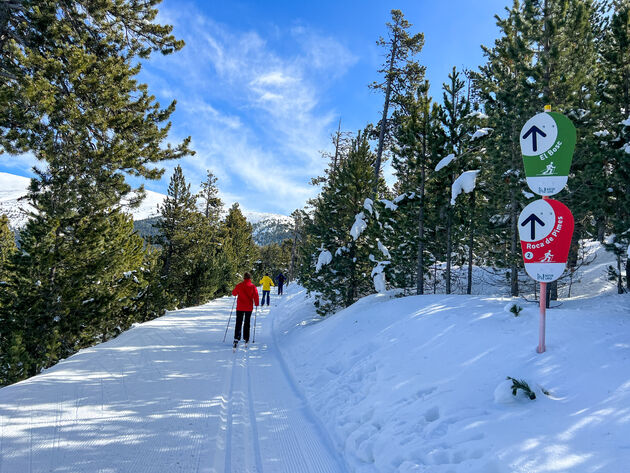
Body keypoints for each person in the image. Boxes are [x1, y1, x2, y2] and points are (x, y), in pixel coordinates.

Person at [231, 272, 259, 349]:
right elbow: (256, 295)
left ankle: (237, 337)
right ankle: (246, 337)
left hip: (240, 307)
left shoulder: (239, 285)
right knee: (247, 322)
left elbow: (234, 293)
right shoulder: (252, 286)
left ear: (244, 278)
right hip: (248, 308)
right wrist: (256, 303)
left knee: (238, 322)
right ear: (250, 278)